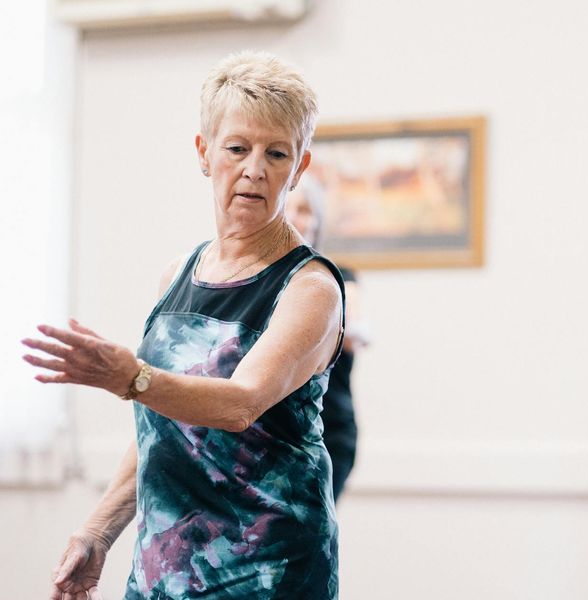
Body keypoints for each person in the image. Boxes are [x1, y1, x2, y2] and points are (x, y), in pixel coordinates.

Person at [22, 51, 343, 599]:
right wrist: (98, 531)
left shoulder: (310, 288)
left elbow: (240, 403)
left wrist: (132, 378)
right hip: (165, 569)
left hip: (266, 571)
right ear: (204, 151)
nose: (254, 169)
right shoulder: (180, 272)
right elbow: (164, 430)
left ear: (300, 166)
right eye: (238, 148)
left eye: (277, 153)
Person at [285, 177, 369, 501]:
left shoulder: (338, 277)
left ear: (318, 221)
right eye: (288, 208)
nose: (295, 218)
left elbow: (356, 330)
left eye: (305, 210)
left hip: (327, 434)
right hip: (274, 438)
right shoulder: (256, 282)